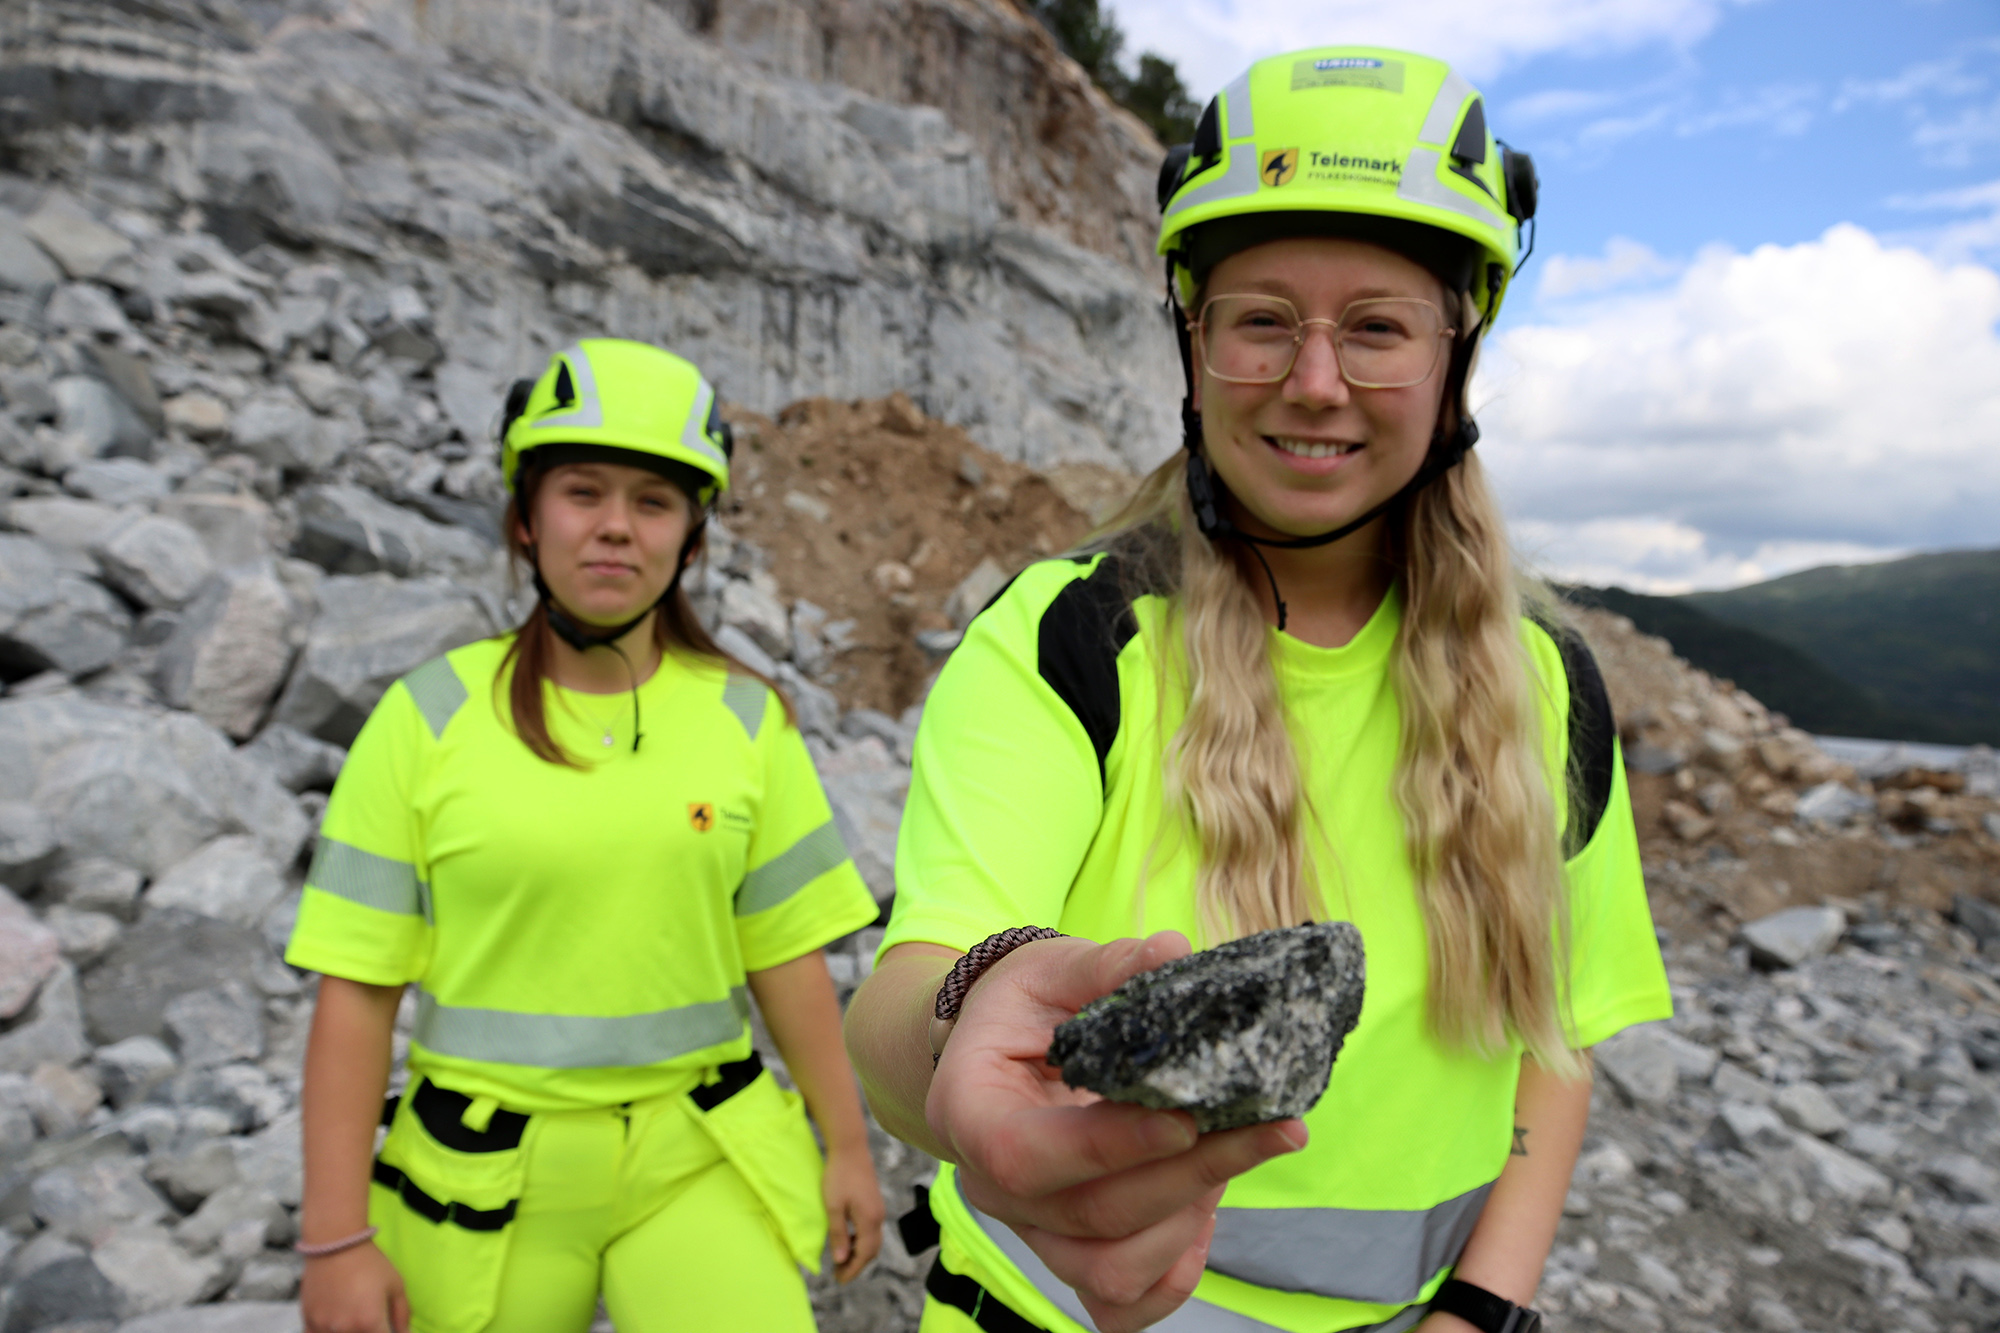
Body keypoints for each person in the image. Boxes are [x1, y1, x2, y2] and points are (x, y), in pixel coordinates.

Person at [845, 45, 1672, 1333]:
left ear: (1456, 352)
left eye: (1377, 327)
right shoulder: (1071, 640)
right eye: (1262, 321)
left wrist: (1478, 1310)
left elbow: (1551, 1040)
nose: (1315, 381)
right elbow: (910, 988)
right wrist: (967, 1015)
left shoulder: (1544, 683)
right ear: (1193, 339)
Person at [288, 338, 884, 1333]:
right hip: (480, 1178)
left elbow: (786, 954)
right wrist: (336, 1238)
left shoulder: (746, 720)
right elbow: (356, 990)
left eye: (653, 502)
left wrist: (848, 1145)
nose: (615, 526)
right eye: (582, 492)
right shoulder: (425, 718)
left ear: (691, 538)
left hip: (694, 1154)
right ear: (526, 519)